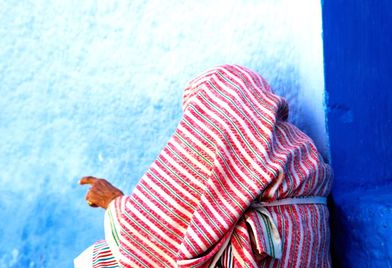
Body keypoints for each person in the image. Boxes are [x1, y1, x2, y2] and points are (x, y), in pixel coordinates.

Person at [75, 64, 333, 267]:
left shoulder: (219, 143)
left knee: (103, 260)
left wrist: (114, 203)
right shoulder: (295, 154)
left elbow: (155, 232)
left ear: (212, 107)